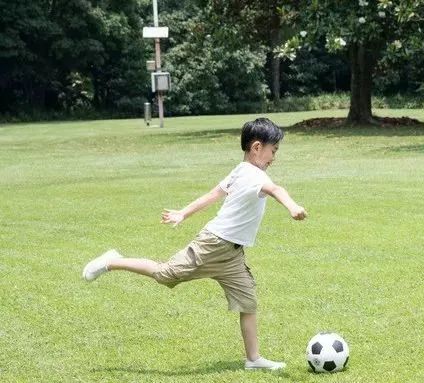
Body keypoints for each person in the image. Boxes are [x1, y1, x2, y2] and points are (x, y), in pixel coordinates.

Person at [82, 117, 307, 369]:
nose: (273, 157)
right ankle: (112, 261)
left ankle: (253, 359)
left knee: (248, 302)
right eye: (273, 151)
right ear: (256, 147)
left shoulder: (241, 170)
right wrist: (293, 207)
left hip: (232, 255)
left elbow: (213, 195)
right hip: (212, 246)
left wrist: (183, 213)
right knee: (165, 274)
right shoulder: (254, 175)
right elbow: (276, 190)